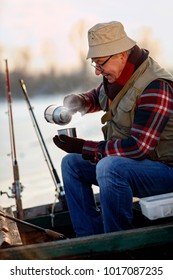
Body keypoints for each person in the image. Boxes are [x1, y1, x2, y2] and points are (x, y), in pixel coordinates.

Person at [53, 21, 173, 237]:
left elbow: (138, 148)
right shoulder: (119, 77)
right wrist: (78, 101)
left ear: (121, 55)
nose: (98, 71)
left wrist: (82, 146)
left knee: (110, 167)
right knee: (71, 163)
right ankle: (89, 240)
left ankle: (117, 244)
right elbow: (98, 96)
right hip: (138, 166)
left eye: (100, 63)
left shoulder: (155, 86)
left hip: (165, 171)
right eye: (95, 64)